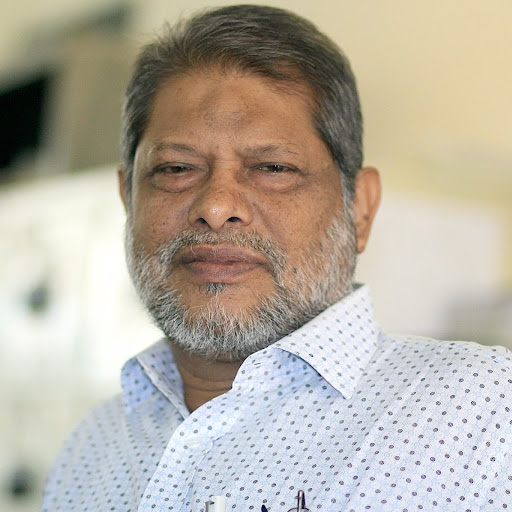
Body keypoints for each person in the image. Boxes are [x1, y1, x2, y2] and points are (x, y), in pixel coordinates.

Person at [41, 5, 511, 511]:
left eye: (272, 168)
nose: (216, 207)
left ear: (360, 208)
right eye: (176, 168)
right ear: (128, 199)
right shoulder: (89, 450)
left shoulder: (483, 415)